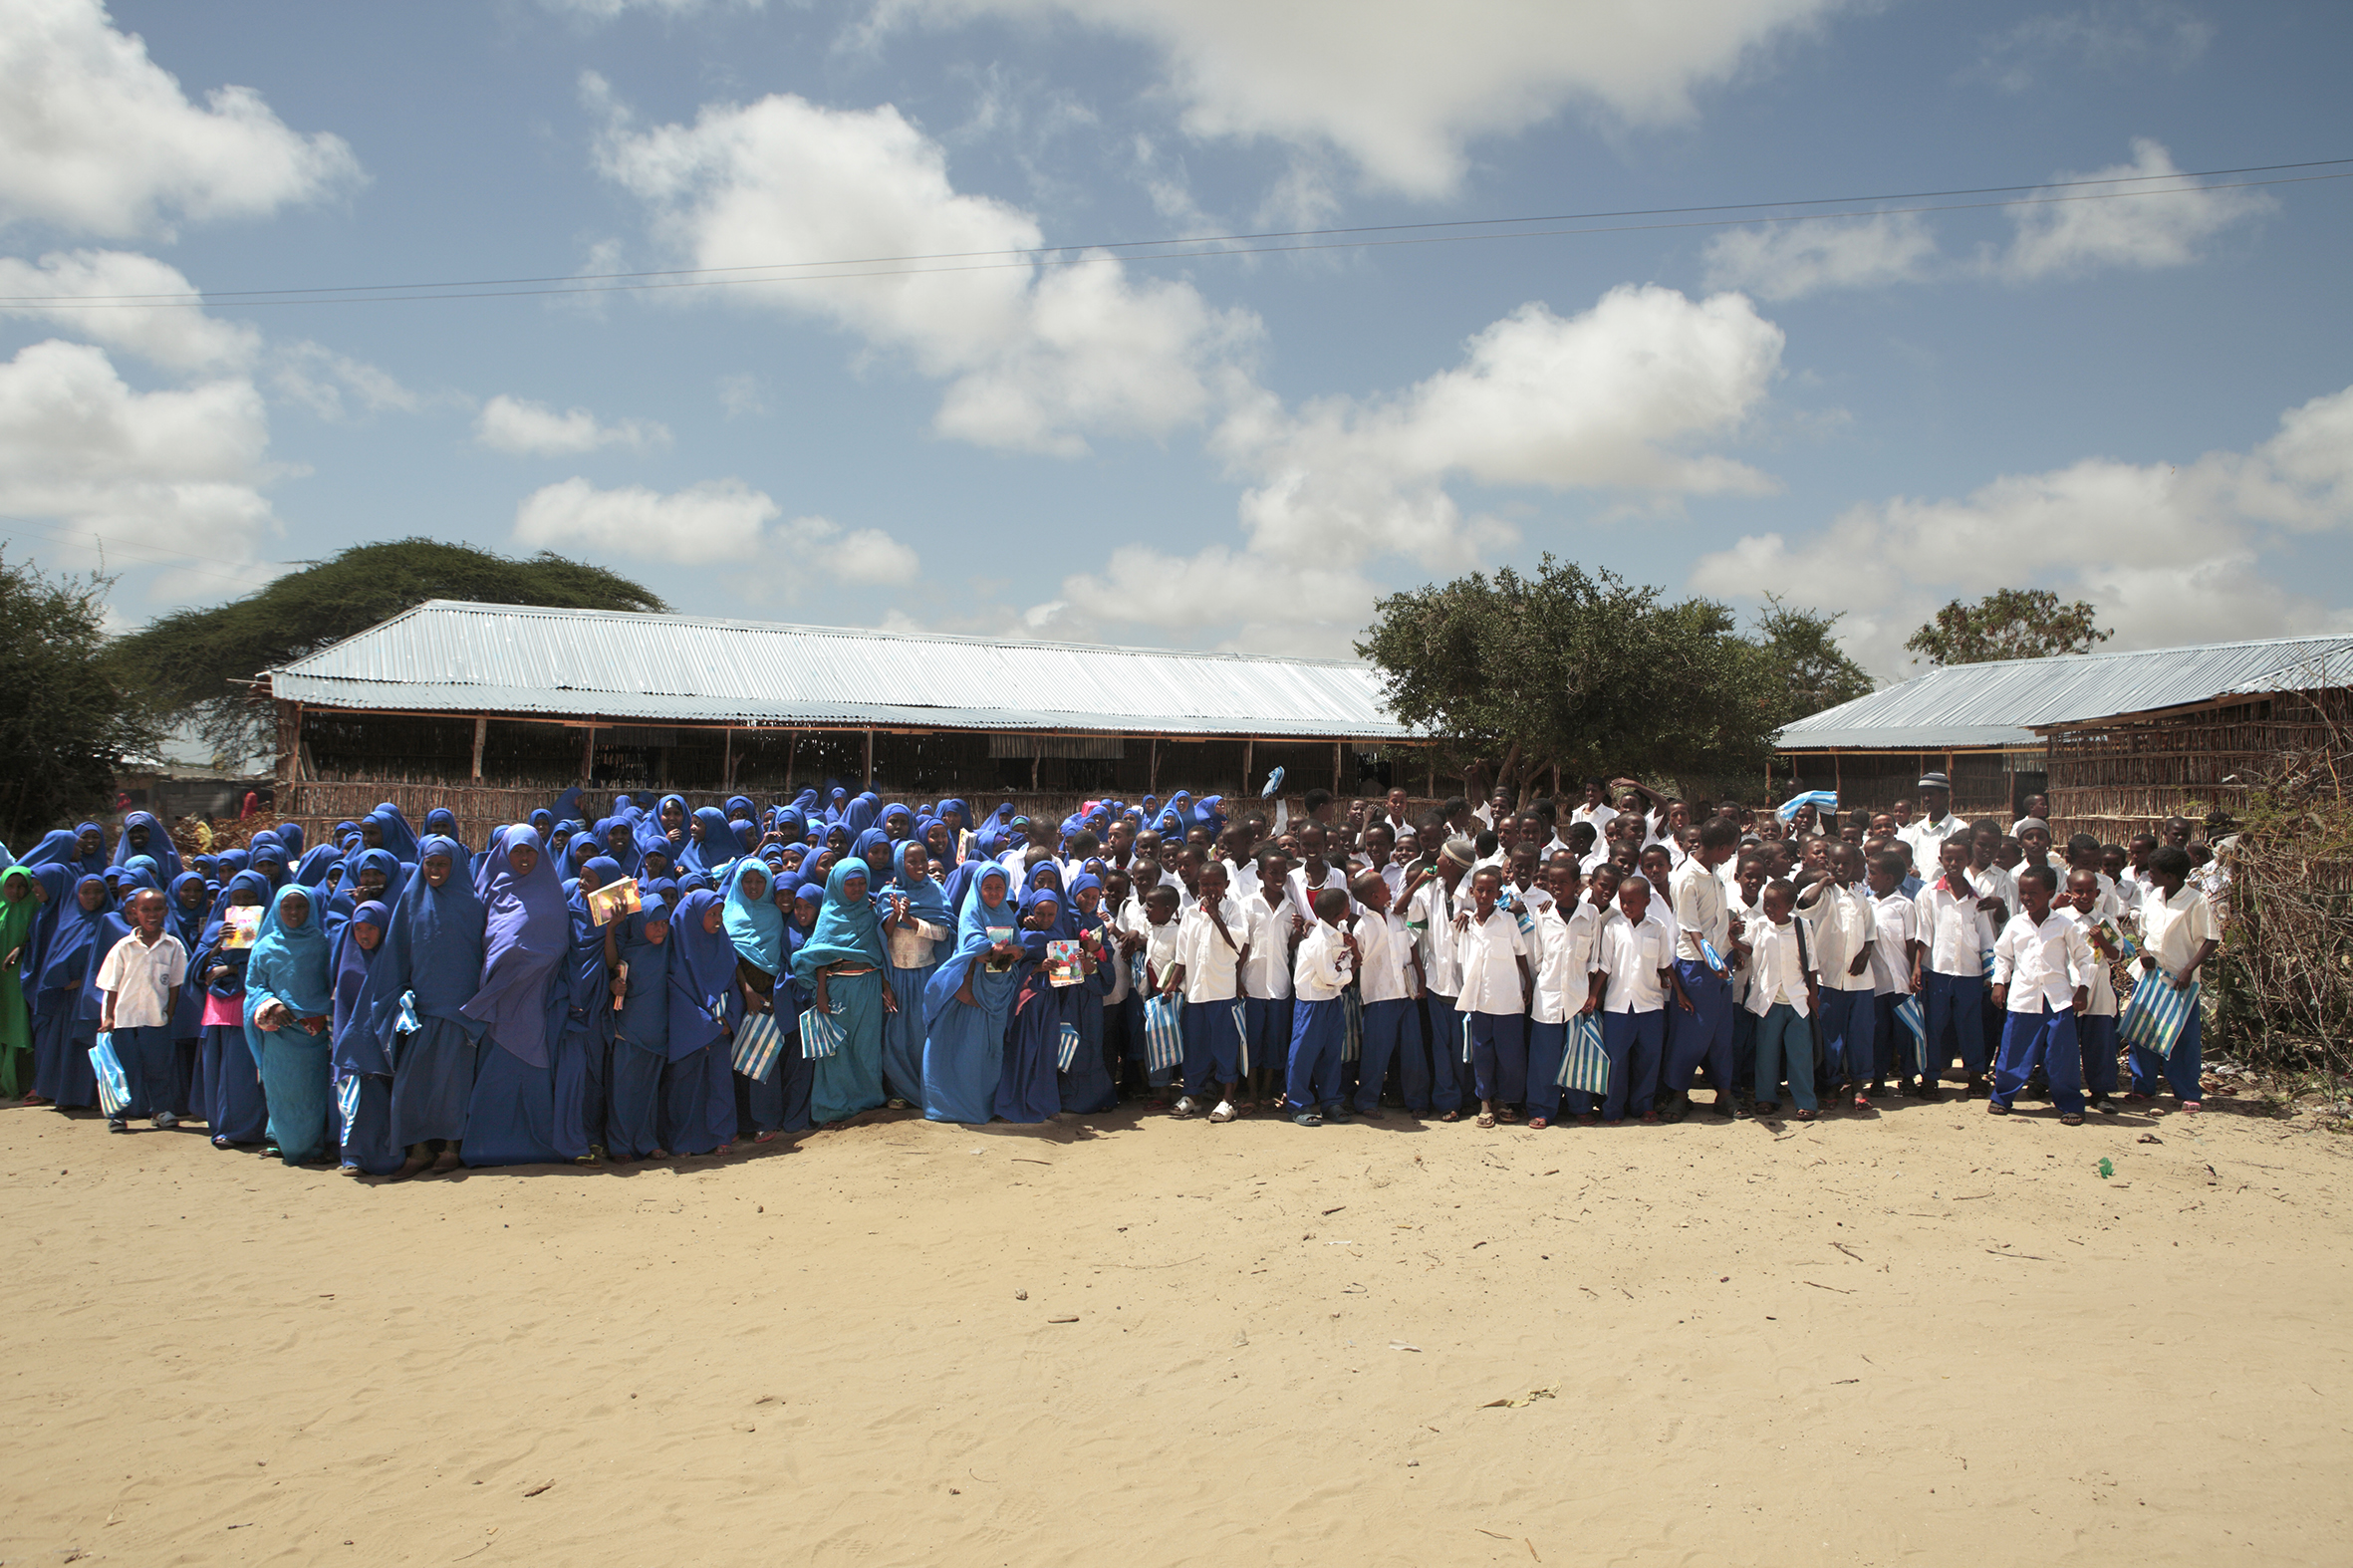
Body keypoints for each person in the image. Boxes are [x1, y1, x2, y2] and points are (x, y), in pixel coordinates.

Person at [360, 834, 487, 1176]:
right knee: (412, 1081)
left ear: (455, 866)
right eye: (429, 863)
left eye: (442, 863)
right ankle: (416, 1148)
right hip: (420, 1007)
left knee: (453, 1082)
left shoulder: (471, 904)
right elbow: (397, 951)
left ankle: (449, 1147)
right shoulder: (411, 901)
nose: (435, 869)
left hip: (460, 1009)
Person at [458, 826, 582, 1168]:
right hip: (498, 996)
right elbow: (478, 935)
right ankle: (485, 1146)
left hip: (535, 996)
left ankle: (536, 1143)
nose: (524, 859)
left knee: (532, 1067)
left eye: (530, 852)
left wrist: (530, 960)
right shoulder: (491, 888)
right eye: (518, 852)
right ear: (505, 854)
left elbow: (560, 940)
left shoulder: (551, 890)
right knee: (494, 1071)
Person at [1988, 864, 2096, 1124]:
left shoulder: (2064, 925)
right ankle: (2003, 1096)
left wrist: (2083, 988)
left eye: (2033, 893)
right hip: (2023, 999)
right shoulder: (2016, 924)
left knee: (2062, 1054)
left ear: (2050, 893)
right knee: (2013, 1050)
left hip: (2057, 999)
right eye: (2023, 892)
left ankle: (2070, 1102)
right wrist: (1999, 982)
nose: (2027, 898)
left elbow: (2085, 958)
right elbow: (2002, 955)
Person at [243, 886, 336, 1164]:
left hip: (314, 1034)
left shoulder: (322, 944)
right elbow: (254, 986)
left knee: (313, 1095)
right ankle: (285, 1143)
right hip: (280, 1036)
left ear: (311, 910)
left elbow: (332, 984)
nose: (294, 913)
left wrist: (318, 1014)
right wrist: (272, 1004)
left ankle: (313, 1146)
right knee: (283, 1094)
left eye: (301, 907)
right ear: (277, 910)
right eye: (287, 907)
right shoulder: (264, 947)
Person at [922, 864, 1021, 1125]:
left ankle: (987, 1105)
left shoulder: (1007, 914)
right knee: (966, 1051)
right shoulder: (972, 911)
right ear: (978, 888)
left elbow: (1019, 948)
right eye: (987, 887)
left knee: (991, 1053)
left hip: (998, 993)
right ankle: (956, 1108)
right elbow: (976, 949)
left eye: (999, 887)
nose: (993, 892)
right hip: (970, 993)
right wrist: (999, 950)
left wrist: (1007, 951)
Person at [795, 858, 891, 1126]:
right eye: (850, 884)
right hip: (838, 988)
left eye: (862, 883)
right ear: (838, 885)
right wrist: (822, 993)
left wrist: (885, 987)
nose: (857, 889)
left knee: (866, 1047)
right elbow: (821, 957)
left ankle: (867, 1102)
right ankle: (834, 1106)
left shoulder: (871, 913)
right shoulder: (829, 915)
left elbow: (878, 955)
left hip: (869, 987)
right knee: (836, 1049)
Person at [2127, 845, 2219, 1113]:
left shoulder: (2196, 901)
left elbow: (2210, 939)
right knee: (2142, 1031)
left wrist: (2189, 969)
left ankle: (2187, 1091)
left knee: (2182, 1036)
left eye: (2154, 872)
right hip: (2149, 976)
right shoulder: (2154, 895)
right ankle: (2143, 1087)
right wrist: (2143, 951)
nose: (2149, 875)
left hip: (2180, 978)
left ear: (2171, 876)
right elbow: (2144, 932)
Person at [1665, 817, 1742, 1119]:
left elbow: (1715, 917)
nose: (1732, 855)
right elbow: (1690, 927)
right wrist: (1712, 960)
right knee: (1691, 1033)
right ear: (1721, 847)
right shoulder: (1688, 877)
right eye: (1732, 849)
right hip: (1697, 966)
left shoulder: (1714, 872)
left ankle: (1724, 1094)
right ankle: (1679, 1094)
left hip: (1721, 962)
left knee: (1722, 1033)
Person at [95, 887, 189, 1133]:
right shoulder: (123, 947)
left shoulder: (173, 946)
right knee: (122, 1068)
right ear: (134, 912)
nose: (151, 914)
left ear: (166, 911)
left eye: (157, 909)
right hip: (124, 1019)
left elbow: (176, 985)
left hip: (155, 1019)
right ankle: (117, 1114)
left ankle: (160, 1110)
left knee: (158, 1067)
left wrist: (169, 1013)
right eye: (145, 909)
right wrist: (108, 1017)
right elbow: (111, 986)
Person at [1913, 838, 2001, 1099]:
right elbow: (1923, 934)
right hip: (1937, 970)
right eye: (1948, 858)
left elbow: (1986, 938)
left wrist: (1992, 976)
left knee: (1971, 1025)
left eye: (1959, 859)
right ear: (1940, 860)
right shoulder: (1928, 894)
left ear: (1968, 860)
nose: (1953, 863)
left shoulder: (1978, 899)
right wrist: (1917, 967)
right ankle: (1930, 1078)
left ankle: (1976, 1076)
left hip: (1970, 973)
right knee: (1935, 1026)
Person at [1588, 875, 1678, 1125]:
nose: (1626, 906)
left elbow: (1665, 965)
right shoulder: (1613, 927)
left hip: (1650, 1005)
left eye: (1632, 902)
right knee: (1616, 1061)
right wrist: (1594, 995)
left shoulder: (1657, 928)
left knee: (1648, 1059)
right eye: (1623, 901)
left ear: (1647, 902)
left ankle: (1643, 1105)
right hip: (1618, 1005)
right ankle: (1613, 1107)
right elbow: (1604, 967)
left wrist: (1680, 992)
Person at [1796, 842, 1877, 1111]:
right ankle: (1830, 1083)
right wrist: (1824, 881)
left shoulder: (1860, 897)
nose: (1840, 868)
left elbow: (1870, 933)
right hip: (1829, 979)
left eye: (1846, 864)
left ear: (1855, 867)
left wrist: (1866, 952)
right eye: (1835, 863)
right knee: (1832, 1035)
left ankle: (1858, 1084)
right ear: (1827, 864)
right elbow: (1804, 904)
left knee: (1860, 1034)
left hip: (1860, 981)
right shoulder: (1822, 893)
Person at [662, 887, 742, 1157]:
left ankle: (722, 1135)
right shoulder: (677, 948)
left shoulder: (723, 942)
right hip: (691, 1034)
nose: (718, 919)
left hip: (720, 1031)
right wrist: (706, 1027)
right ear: (695, 917)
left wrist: (729, 1020)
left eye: (720, 913)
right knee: (685, 1089)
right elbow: (675, 991)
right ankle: (684, 1142)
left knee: (719, 1084)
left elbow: (733, 985)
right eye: (711, 914)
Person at [1168, 858, 1247, 1122]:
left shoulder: (1234, 909)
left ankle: (1228, 1099)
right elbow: (1182, 954)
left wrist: (1216, 916)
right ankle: (1193, 1094)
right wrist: (1173, 982)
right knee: (1196, 1046)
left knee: (1224, 1047)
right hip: (1196, 991)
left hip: (1222, 991)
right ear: (1197, 885)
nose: (1210, 889)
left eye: (1216, 884)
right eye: (1205, 884)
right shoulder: (1190, 913)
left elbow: (1237, 943)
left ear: (1225, 884)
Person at [1452, 866, 1532, 1129]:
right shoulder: (1465, 923)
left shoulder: (1507, 921)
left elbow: (1520, 953)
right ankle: (1485, 1101)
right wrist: (1464, 915)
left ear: (1498, 893)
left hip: (1507, 999)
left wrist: (1528, 982)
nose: (1484, 896)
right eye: (1480, 890)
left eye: (1490, 891)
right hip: (1479, 1001)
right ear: (1472, 892)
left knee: (1510, 1055)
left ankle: (1506, 1101)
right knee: (1483, 1052)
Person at [1403, 838, 1472, 1121]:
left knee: (1464, 1048)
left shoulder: (1472, 893)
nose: (1436, 862)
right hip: (1435, 982)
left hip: (1466, 985)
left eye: (1441, 857)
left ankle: (1469, 1098)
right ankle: (1448, 1101)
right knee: (1440, 1048)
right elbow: (1404, 916)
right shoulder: (1429, 891)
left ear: (1452, 864)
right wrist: (1418, 880)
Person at [329, 901, 399, 1175]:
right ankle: (353, 1157)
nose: (365, 934)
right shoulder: (347, 960)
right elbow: (340, 1004)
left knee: (384, 1103)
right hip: (352, 1044)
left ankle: (388, 1157)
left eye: (372, 928)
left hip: (384, 1043)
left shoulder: (393, 960)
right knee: (355, 1103)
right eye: (359, 928)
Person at [1742, 879, 1819, 1121]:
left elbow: (1812, 964)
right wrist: (1734, 940)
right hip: (1769, 999)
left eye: (1775, 905)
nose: (1769, 909)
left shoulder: (1802, 926)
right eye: (1767, 904)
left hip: (1797, 999)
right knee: (1766, 1052)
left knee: (1800, 1054)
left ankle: (1805, 1100)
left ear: (1789, 906)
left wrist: (1813, 996)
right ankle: (1766, 1097)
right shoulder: (1760, 925)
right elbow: (1749, 947)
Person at [604, 899, 673, 1161]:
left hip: (657, 1031)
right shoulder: (629, 949)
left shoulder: (668, 948)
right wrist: (611, 928)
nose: (660, 930)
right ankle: (620, 1144)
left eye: (664, 924)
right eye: (653, 924)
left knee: (648, 1091)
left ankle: (647, 1140)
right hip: (629, 1031)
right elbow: (612, 966)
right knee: (622, 1090)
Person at [1348, 869, 1419, 1120]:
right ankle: (1367, 1099)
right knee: (1376, 1053)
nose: (1390, 887)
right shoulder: (1363, 928)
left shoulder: (1397, 917)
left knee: (1413, 1051)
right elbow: (1356, 964)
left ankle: (1417, 1099)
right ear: (1375, 895)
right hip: (1379, 998)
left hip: (1405, 994)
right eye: (1385, 886)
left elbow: (1412, 947)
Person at [1286, 887, 1355, 1126]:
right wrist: (1349, 972)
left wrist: (1345, 966)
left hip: (1331, 1001)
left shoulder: (1340, 931)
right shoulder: (1319, 942)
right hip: (1312, 1004)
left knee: (1332, 1053)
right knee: (1303, 1055)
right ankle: (1298, 1105)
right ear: (1339, 913)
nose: (1350, 907)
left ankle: (1331, 1101)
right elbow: (1330, 976)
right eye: (1347, 905)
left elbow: (1345, 958)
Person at [1862, 851, 1923, 1097]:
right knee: (1879, 1033)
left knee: (1905, 1031)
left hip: (1900, 981)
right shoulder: (1865, 904)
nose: (1868, 878)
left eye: (1873, 874)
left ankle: (1909, 1076)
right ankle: (1877, 1078)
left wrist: (1914, 970)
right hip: (1875, 982)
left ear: (1888, 879)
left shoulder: (1904, 906)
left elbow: (1912, 943)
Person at [0, 866, 35, 1099]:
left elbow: (41, 939)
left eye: (22, 885)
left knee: (16, 1026)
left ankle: (16, 1083)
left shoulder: (35, 908)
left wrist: (22, 948)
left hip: (18, 979)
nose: (16, 891)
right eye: (10, 885)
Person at [1897, 773, 1964, 869]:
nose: (1926, 799)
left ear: (1944, 796)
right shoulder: (1917, 829)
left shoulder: (1958, 828)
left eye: (1931, 794)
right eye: (1923, 795)